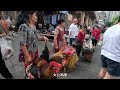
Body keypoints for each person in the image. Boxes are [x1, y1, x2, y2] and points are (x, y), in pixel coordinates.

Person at [16, 11, 48, 77]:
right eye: (35, 15)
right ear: (30, 16)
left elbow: (36, 37)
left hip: (35, 52)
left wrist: (43, 37)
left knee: (35, 70)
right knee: (29, 72)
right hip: (28, 53)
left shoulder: (33, 26)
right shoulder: (23, 27)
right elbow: (22, 43)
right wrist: (27, 56)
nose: (37, 17)